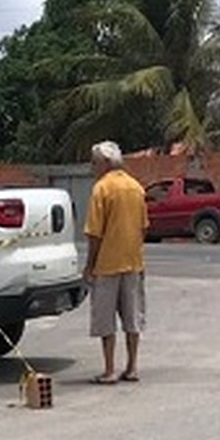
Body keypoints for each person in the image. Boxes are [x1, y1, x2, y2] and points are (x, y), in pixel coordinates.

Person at [83, 141, 149, 384]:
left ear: (106, 163)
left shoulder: (101, 189)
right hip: (133, 263)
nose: (92, 167)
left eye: (94, 162)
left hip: (106, 265)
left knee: (105, 320)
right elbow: (143, 228)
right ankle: (132, 367)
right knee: (133, 318)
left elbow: (94, 234)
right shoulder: (136, 187)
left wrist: (89, 266)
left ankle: (109, 370)